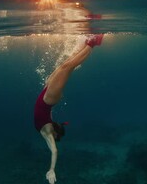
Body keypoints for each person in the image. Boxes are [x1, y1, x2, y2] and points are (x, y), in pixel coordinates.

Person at [34, 34, 104, 184]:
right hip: (49, 98)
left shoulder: (47, 129)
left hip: (47, 93)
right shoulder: (47, 131)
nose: (53, 138)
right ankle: (92, 44)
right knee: (67, 67)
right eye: (55, 136)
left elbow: (53, 149)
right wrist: (52, 169)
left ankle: (84, 44)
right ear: (55, 133)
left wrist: (51, 169)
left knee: (64, 66)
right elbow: (54, 151)